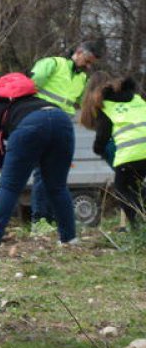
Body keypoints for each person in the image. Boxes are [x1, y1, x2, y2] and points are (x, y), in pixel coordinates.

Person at [0, 73, 75, 249]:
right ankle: (69, 238)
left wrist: (4, 172)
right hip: (61, 120)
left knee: (10, 186)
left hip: (31, 125)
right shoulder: (35, 101)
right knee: (57, 187)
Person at [26, 41, 102, 225]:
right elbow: (29, 87)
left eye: (92, 64)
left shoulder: (81, 78)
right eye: (87, 61)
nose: (88, 66)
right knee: (43, 172)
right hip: (42, 118)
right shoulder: (52, 64)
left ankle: (51, 219)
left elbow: (82, 103)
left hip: (62, 125)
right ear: (78, 52)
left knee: (57, 174)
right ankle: (40, 219)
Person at [79, 75, 146, 227]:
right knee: (137, 187)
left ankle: (139, 226)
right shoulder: (137, 99)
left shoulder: (107, 106)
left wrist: (98, 149)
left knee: (122, 189)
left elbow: (103, 134)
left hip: (131, 152)